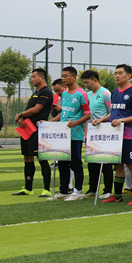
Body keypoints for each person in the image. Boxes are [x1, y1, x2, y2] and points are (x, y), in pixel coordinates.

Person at [97, 64, 132, 205]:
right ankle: (117, 195)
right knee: (117, 165)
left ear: (128, 76)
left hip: (128, 135)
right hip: (115, 136)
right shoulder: (114, 92)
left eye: (120, 73)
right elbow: (114, 113)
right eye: (115, 73)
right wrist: (101, 120)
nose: (117, 76)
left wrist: (122, 121)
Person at [11, 69, 54, 197]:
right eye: (31, 77)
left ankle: (46, 189)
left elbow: (36, 109)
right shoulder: (36, 93)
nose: (32, 79)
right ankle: (28, 188)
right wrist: (22, 119)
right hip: (27, 130)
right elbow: (29, 110)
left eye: (34, 77)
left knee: (41, 157)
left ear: (42, 77)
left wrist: (20, 114)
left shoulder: (46, 92)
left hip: (37, 130)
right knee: (27, 157)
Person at [50, 66, 90, 200]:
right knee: (62, 163)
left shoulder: (81, 94)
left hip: (75, 135)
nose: (63, 78)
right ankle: (63, 190)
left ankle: (78, 191)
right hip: (63, 135)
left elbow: (87, 114)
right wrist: (50, 122)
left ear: (74, 77)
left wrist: (76, 123)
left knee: (75, 163)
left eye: (66, 76)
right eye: (62, 76)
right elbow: (64, 112)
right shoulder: (64, 94)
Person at [81, 69, 113, 197]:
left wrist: (101, 120)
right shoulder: (87, 95)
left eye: (87, 82)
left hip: (104, 133)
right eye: (84, 83)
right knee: (92, 162)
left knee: (105, 163)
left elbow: (112, 113)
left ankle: (108, 190)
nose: (86, 85)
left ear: (95, 80)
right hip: (90, 133)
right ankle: (92, 189)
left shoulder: (106, 93)